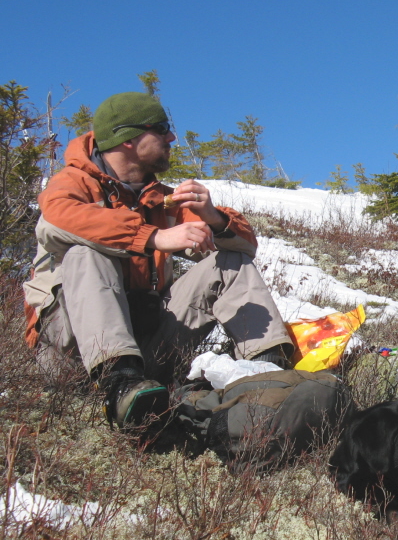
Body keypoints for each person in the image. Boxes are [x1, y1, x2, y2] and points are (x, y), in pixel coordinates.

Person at [23, 92, 294, 431]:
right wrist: (152, 236)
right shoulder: (71, 184)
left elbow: (246, 245)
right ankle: (118, 382)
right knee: (85, 253)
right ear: (128, 138)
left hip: (149, 348)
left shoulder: (157, 198)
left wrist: (212, 217)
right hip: (72, 356)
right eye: (162, 129)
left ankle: (268, 375)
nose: (171, 138)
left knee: (229, 262)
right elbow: (58, 221)